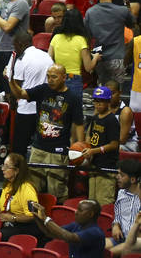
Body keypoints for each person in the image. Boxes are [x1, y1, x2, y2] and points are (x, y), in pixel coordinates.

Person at [8, 63, 84, 200]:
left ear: (64, 77)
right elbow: (20, 93)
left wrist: (81, 146)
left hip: (58, 152)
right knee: (32, 190)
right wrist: (10, 80)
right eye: (48, 76)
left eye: (54, 77)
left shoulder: (73, 98)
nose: (50, 80)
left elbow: (78, 124)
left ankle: (57, 218)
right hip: (38, 149)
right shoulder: (43, 90)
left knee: (57, 191)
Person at [31, 200, 106, 258]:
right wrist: (36, 217)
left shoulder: (95, 232)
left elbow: (68, 237)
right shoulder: (76, 225)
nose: (76, 212)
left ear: (90, 214)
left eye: (80, 210)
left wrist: (45, 218)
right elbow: (49, 232)